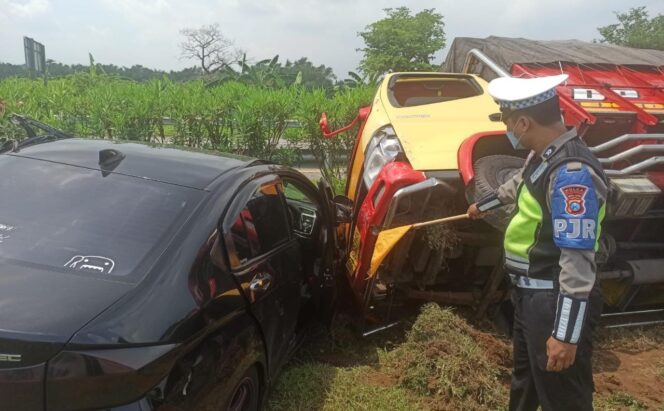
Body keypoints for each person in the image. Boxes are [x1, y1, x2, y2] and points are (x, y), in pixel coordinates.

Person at [467, 74, 608, 411]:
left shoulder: (571, 175)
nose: (509, 131)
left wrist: (565, 334)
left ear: (525, 122)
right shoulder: (544, 155)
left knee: (563, 399)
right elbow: (519, 183)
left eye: (509, 123)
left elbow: (577, 260)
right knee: (525, 386)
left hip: (554, 298)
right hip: (530, 296)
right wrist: (482, 206)